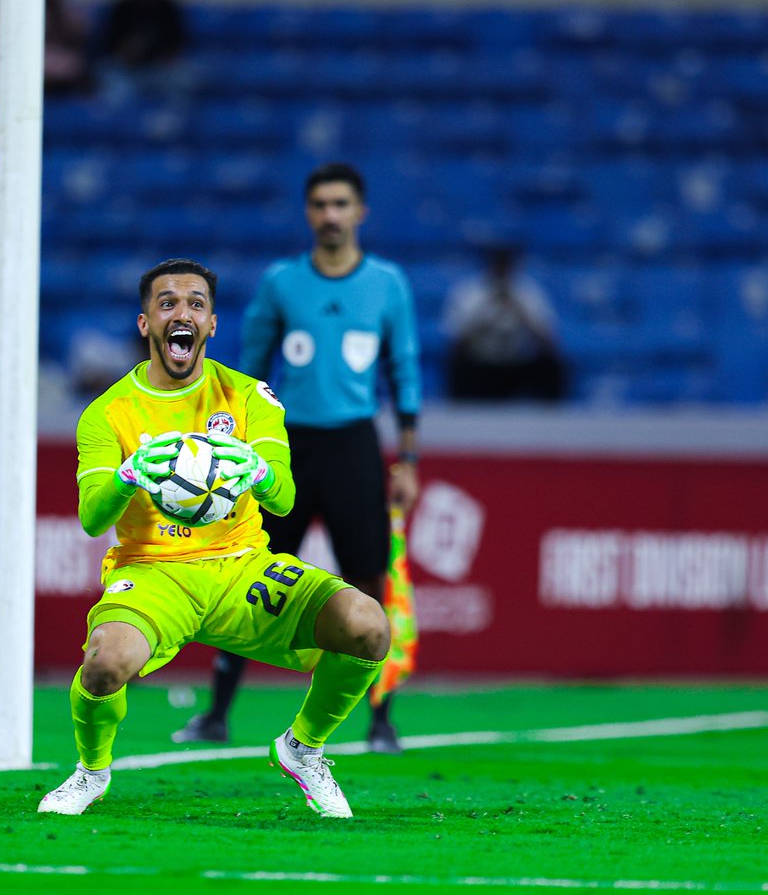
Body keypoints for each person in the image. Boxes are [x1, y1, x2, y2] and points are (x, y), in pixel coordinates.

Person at [38, 258, 391, 818]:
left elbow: (284, 499)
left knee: (368, 625)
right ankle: (90, 773)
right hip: (154, 573)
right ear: (145, 323)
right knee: (104, 665)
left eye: (196, 304)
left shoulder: (250, 397)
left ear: (213, 323)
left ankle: (304, 748)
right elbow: (90, 515)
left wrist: (257, 470)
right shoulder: (107, 414)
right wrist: (129, 475)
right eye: (168, 303)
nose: (184, 313)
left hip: (242, 567)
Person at [172, 162, 422, 756]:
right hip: (286, 446)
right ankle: (217, 713)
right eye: (319, 205)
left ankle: (380, 716)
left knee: (367, 577)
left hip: (355, 445)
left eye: (340, 204)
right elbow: (249, 370)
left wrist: (407, 458)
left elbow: (404, 370)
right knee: (247, 572)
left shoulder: (387, 284)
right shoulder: (282, 283)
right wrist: (227, 441)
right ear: (308, 213)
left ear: (360, 212)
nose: (330, 215)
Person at [443, 244, 566, 402]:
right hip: (481, 366)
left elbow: (548, 341)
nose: (501, 269)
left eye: (505, 264)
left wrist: (521, 313)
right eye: (498, 264)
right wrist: (483, 317)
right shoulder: (469, 292)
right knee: (456, 365)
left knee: (551, 366)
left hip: (517, 365)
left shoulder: (528, 292)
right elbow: (455, 342)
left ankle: (552, 417)